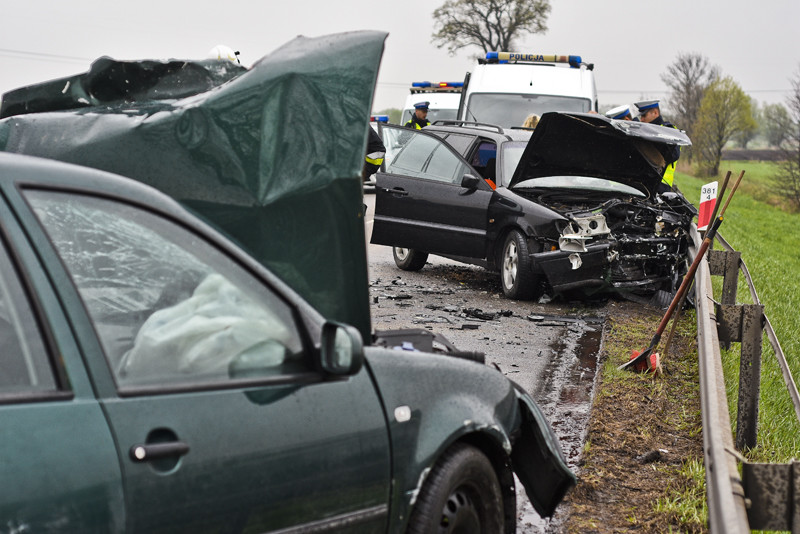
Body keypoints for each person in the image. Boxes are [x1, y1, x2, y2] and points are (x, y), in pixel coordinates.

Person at [635, 100, 680, 189]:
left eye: (644, 115)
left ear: (655, 113)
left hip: (661, 184)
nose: (642, 119)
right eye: (641, 116)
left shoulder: (668, 130)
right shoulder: (643, 131)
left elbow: (673, 155)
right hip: (643, 183)